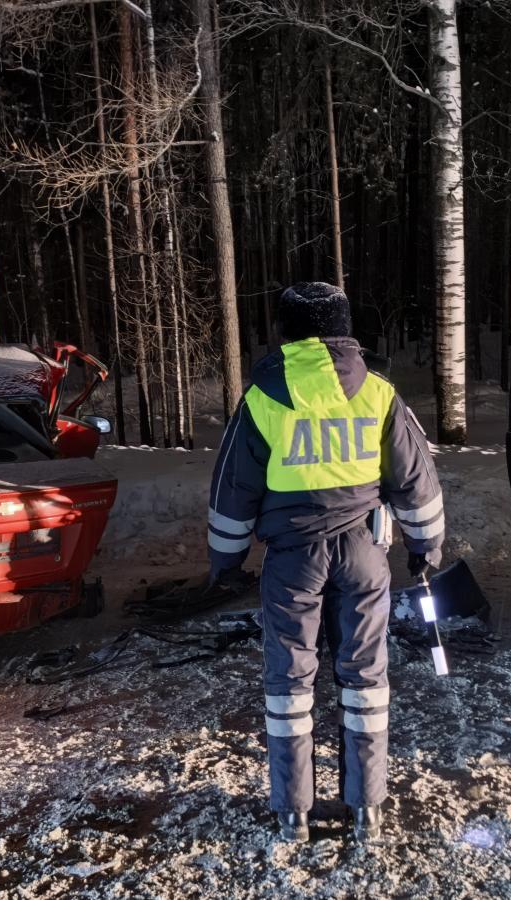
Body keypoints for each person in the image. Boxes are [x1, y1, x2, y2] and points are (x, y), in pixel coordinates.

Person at [207, 281, 444, 844]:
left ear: (286, 333)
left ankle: (293, 812)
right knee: (366, 679)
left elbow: (232, 489)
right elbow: (417, 481)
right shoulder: (379, 393)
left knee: (288, 682)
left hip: (291, 560)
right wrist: (425, 548)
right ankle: (368, 809)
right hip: (364, 553)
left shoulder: (263, 397)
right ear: (344, 331)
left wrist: (227, 561)